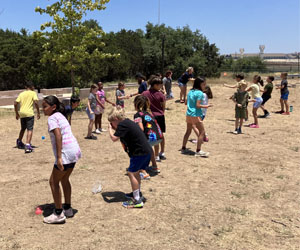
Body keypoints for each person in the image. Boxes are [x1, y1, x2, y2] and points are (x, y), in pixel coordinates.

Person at [42, 96, 81, 224]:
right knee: (64, 179)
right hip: (74, 150)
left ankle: (58, 213)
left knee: (53, 182)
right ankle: (68, 208)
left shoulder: (52, 118)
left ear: (53, 107)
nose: (43, 109)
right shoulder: (60, 115)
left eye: (45, 107)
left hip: (66, 152)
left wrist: (59, 157)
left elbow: (58, 134)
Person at [108, 107, 152, 208]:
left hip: (139, 153)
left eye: (112, 123)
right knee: (135, 173)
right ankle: (137, 193)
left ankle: (137, 200)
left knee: (131, 173)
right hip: (145, 151)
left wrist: (110, 130)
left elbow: (114, 138)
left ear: (115, 119)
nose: (112, 126)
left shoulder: (123, 124)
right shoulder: (127, 123)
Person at [181, 77, 212, 157]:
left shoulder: (190, 91)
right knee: (202, 132)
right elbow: (198, 105)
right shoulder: (200, 93)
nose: (205, 86)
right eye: (203, 84)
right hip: (195, 114)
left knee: (188, 131)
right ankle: (198, 150)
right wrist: (206, 106)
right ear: (199, 84)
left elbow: (185, 103)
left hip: (188, 114)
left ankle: (183, 148)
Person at [133, 95, 163, 176]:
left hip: (149, 138)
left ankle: (142, 171)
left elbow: (141, 128)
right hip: (158, 138)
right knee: (149, 149)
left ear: (136, 104)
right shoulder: (150, 114)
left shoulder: (138, 115)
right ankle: (154, 166)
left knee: (140, 151)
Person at [142, 76, 167, 162]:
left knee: (152, 135)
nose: (161, 87)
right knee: (160, 135)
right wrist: (161, 112)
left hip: (148, 116)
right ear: (155, 85)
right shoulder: (161, 94)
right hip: (159, 116)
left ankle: (155, 154)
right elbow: (163, 106)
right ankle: (160, 153)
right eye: (160, 85)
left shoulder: (145, 93)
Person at [14, 82, 40, 153]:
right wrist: (38, 112)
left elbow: (15, 103)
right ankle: (28, 145)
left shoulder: (21, 94)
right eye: (33, 86)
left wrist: (17, 113)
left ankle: (19, 141)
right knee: (30, 129)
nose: (34, 88)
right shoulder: (33, 93)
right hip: (29, 113)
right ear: (31, 86)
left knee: (23, 128)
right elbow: (36, 102)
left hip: (22, 113)